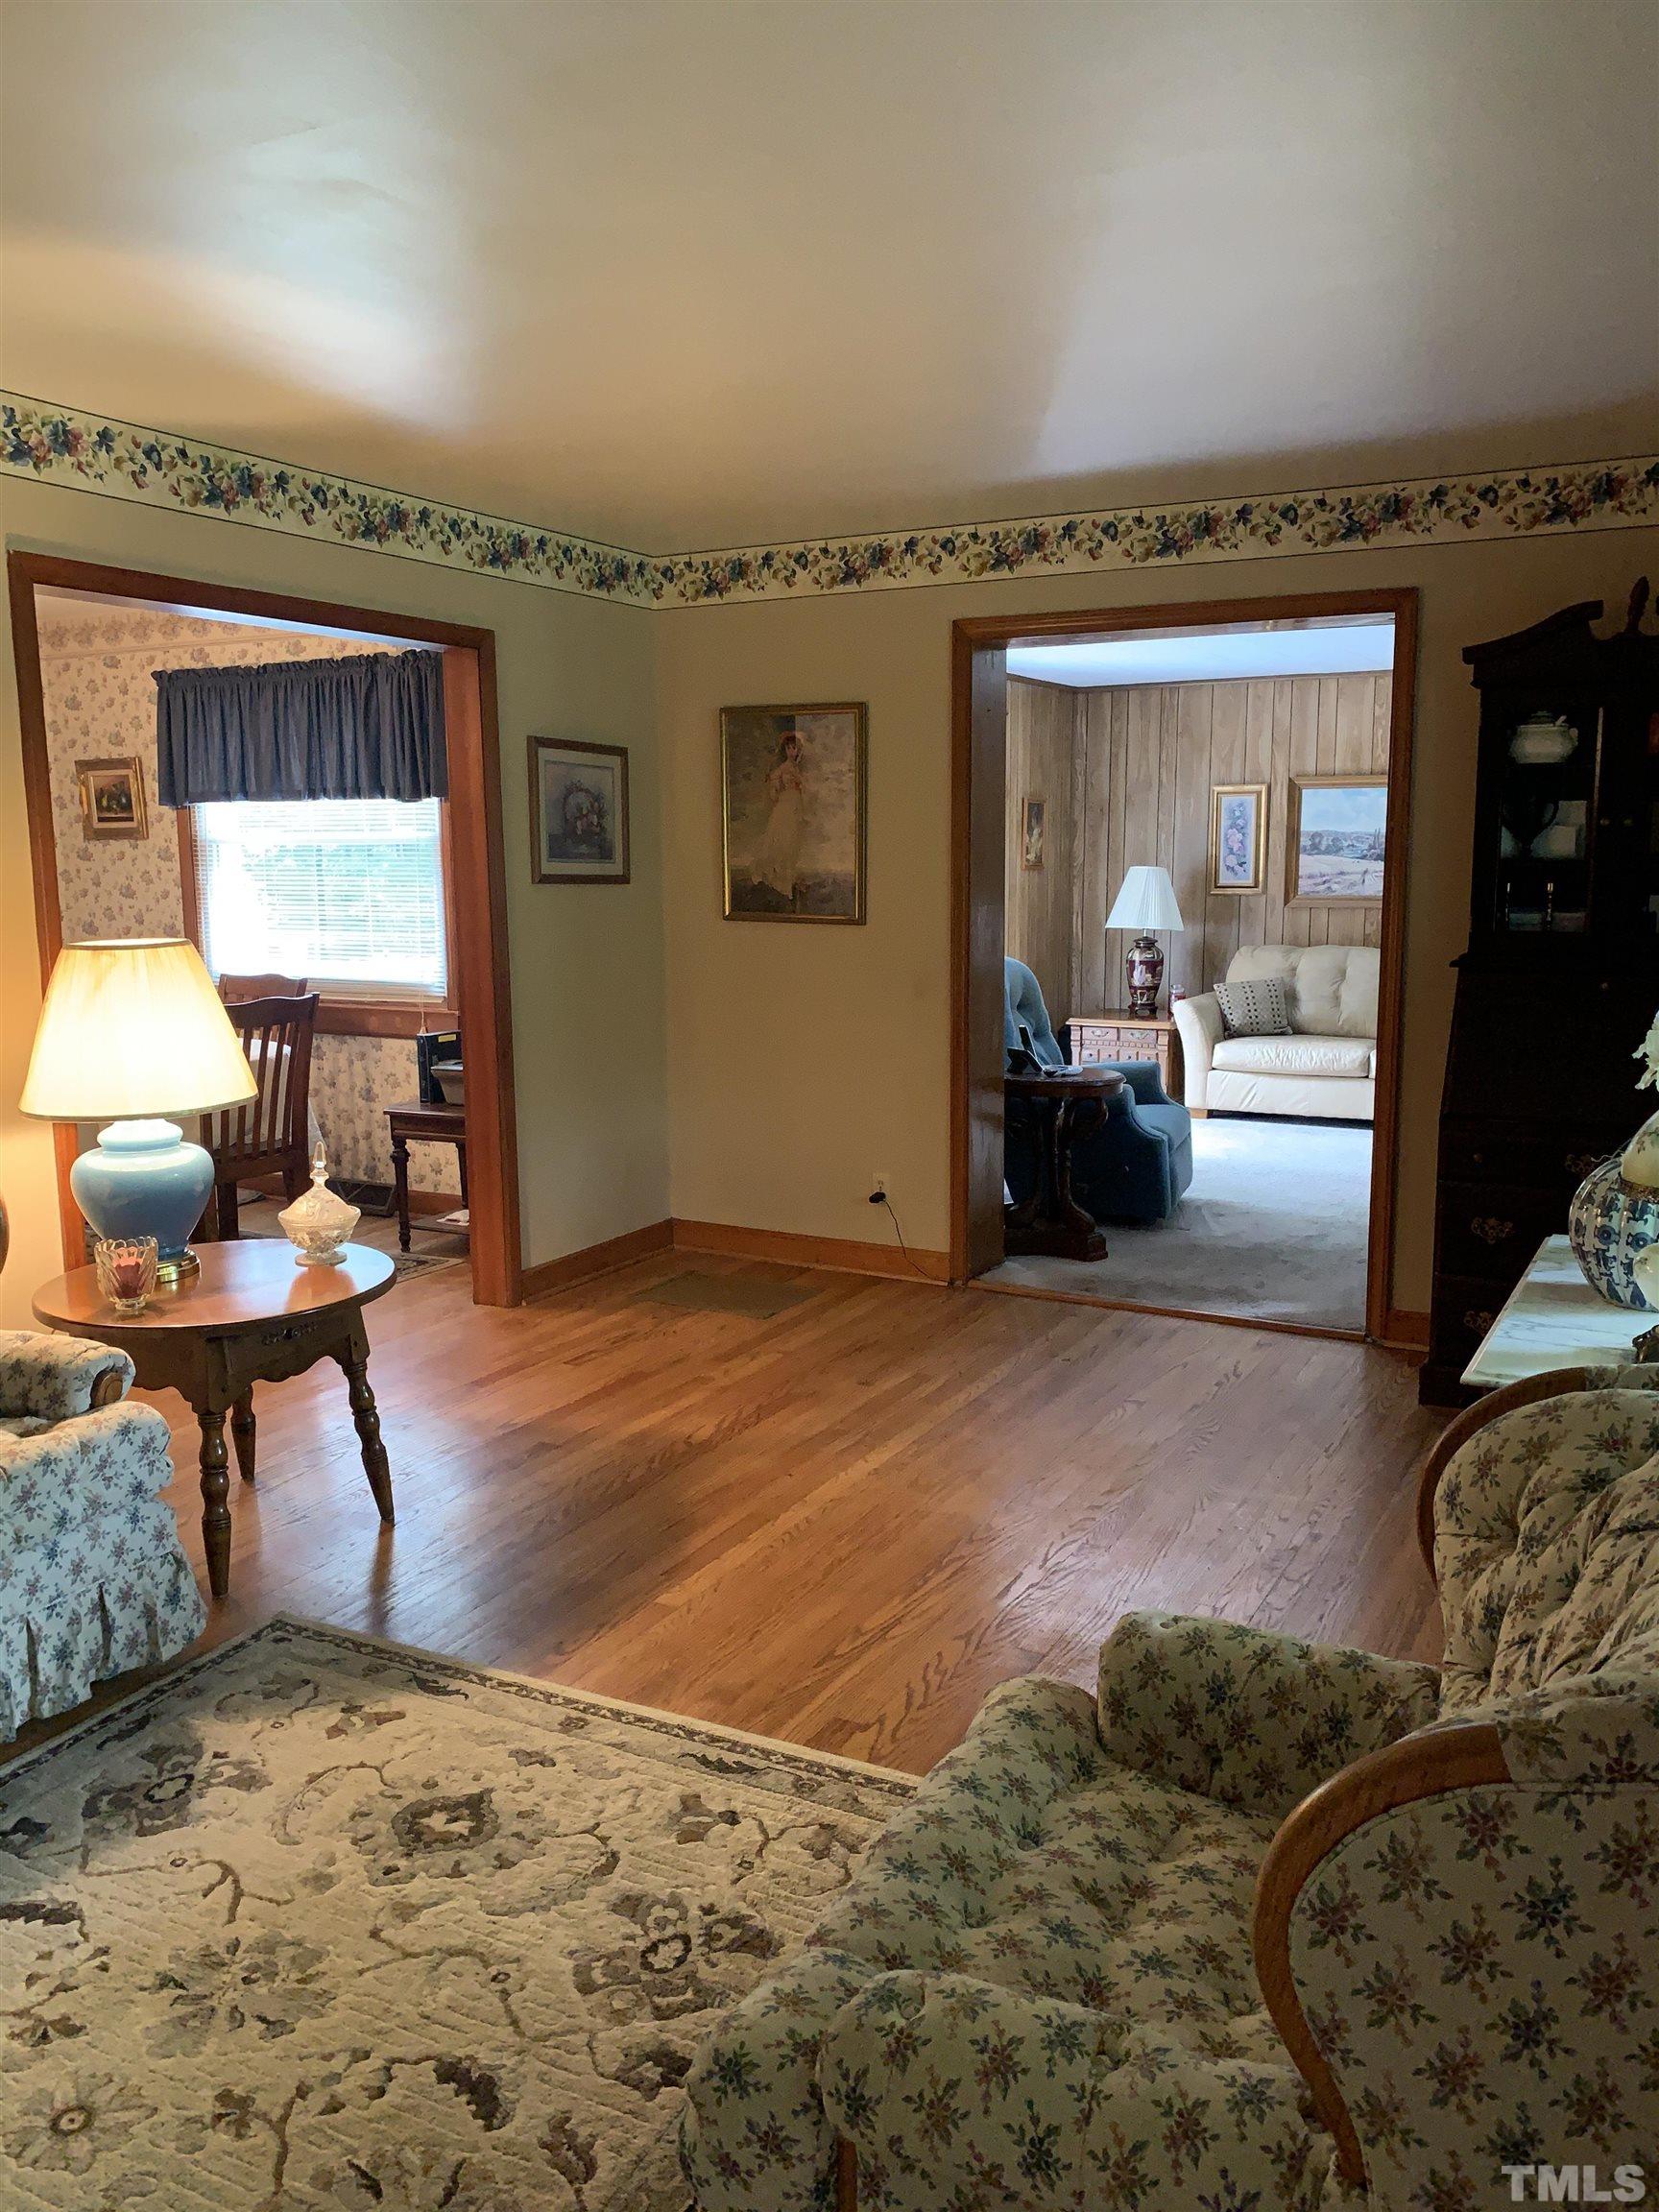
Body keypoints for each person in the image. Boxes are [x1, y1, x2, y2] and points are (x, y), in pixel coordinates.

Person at [755, 728, 805, 903]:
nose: (793, 751)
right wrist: (778, 790)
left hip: (795, 807)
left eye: (795, 748)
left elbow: (803, 789)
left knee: (792, 842)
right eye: (789, 748)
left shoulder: (796, 768)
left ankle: (789, 880)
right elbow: (773, 791)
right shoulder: (782, 769)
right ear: (785, 750)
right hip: (785, 807)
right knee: (782, 841)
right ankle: (781, 882)